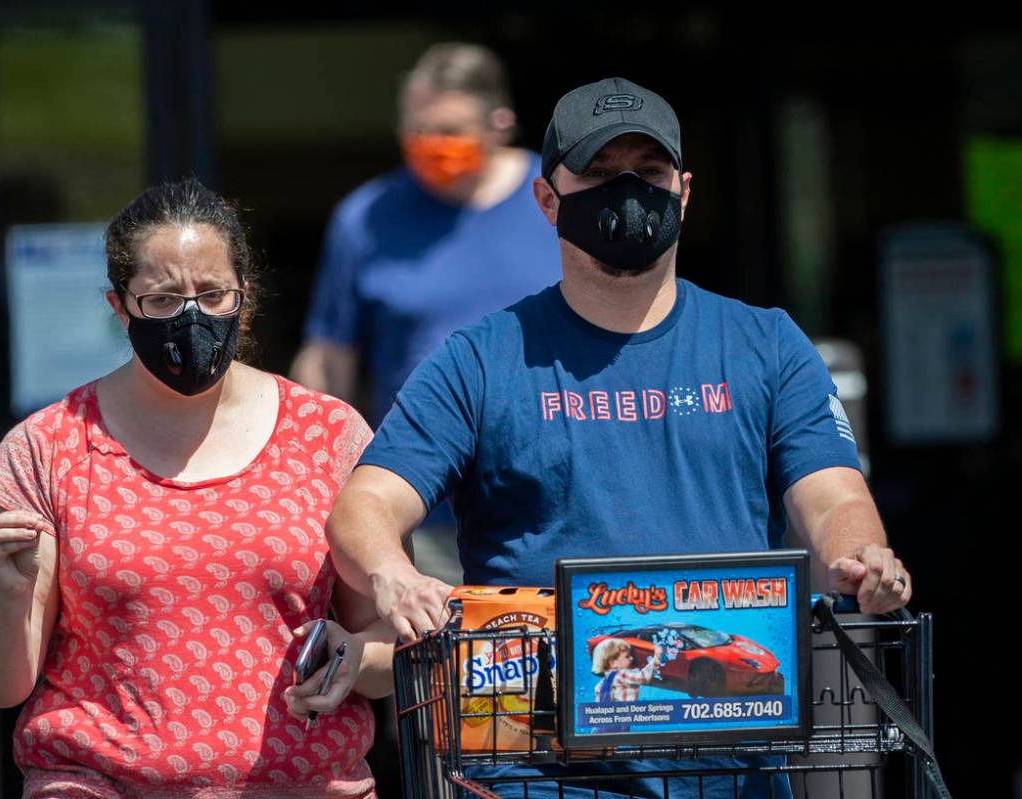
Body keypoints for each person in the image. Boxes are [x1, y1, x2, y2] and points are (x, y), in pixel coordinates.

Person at [324, 77, 913, 798]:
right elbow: (365, 503)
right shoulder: (480, 357)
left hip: (730, 763)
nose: (628, 193)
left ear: (683, 190)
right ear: (547, 201)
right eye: (600, 175)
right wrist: (392, 570)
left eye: (649, 173)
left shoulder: (765, 343)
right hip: (536, 771)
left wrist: (856, 557)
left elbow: (830, 495)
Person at [0, 178, 395, 799]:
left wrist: (352, 658)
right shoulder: (47, 449)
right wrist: (9, 594)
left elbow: (386, 640)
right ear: (118, 307)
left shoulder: (328, 435)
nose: (192, 318)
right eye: (161, 301)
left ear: (246, 296)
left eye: (213, 295)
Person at [291, 42, 561, 581]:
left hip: (557, 503)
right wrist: (319, 474)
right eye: (417, 131)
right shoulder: (366, 218)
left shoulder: (558, 200)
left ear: (500, 123)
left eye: (450, 131)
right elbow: (328, 357)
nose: (432, 146)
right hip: (421, 509)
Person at [592, 640, 664, 703]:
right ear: (613, 663)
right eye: (627, 656)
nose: (631, 658)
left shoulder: (599, 686)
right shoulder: (622, 675)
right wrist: (655, 659)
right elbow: (644, 678)